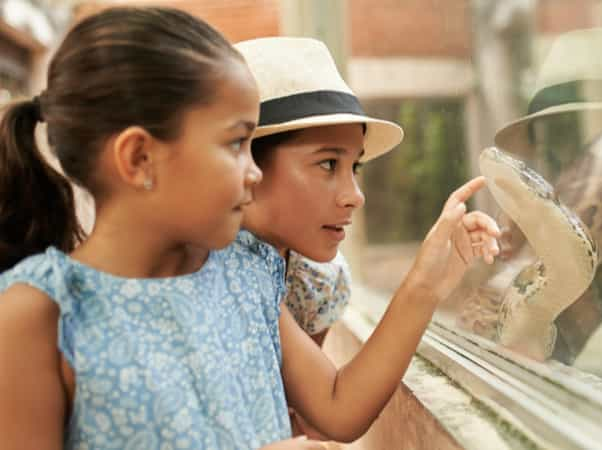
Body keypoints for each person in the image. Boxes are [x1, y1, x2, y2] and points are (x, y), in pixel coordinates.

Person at [0, 14, 499, 449]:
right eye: (237, 144)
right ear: (139, 158)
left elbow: (339, 406)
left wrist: (427, 281)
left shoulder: (248, 275)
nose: (253, 172)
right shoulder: (36, 314)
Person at [233, 37, 500, 442]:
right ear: (246, 165)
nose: (354, 195)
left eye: (353, 166)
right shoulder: (216, 264)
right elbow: (334, 410)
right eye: (327, 163)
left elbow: (317, 412)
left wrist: (429, 282)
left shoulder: (315, 282)